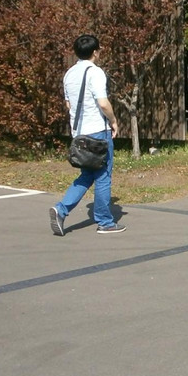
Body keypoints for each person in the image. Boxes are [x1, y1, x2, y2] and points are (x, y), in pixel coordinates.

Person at [50, 34, 126, 235]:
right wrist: (114, 121)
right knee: (103, 176)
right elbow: (103, 102)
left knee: (86, 174)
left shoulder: (69, 74)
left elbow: (68, 104)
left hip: (79, 134)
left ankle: (61, 209)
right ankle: (105, 222)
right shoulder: (95, 72)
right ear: (95, 52)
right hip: (98, 132)